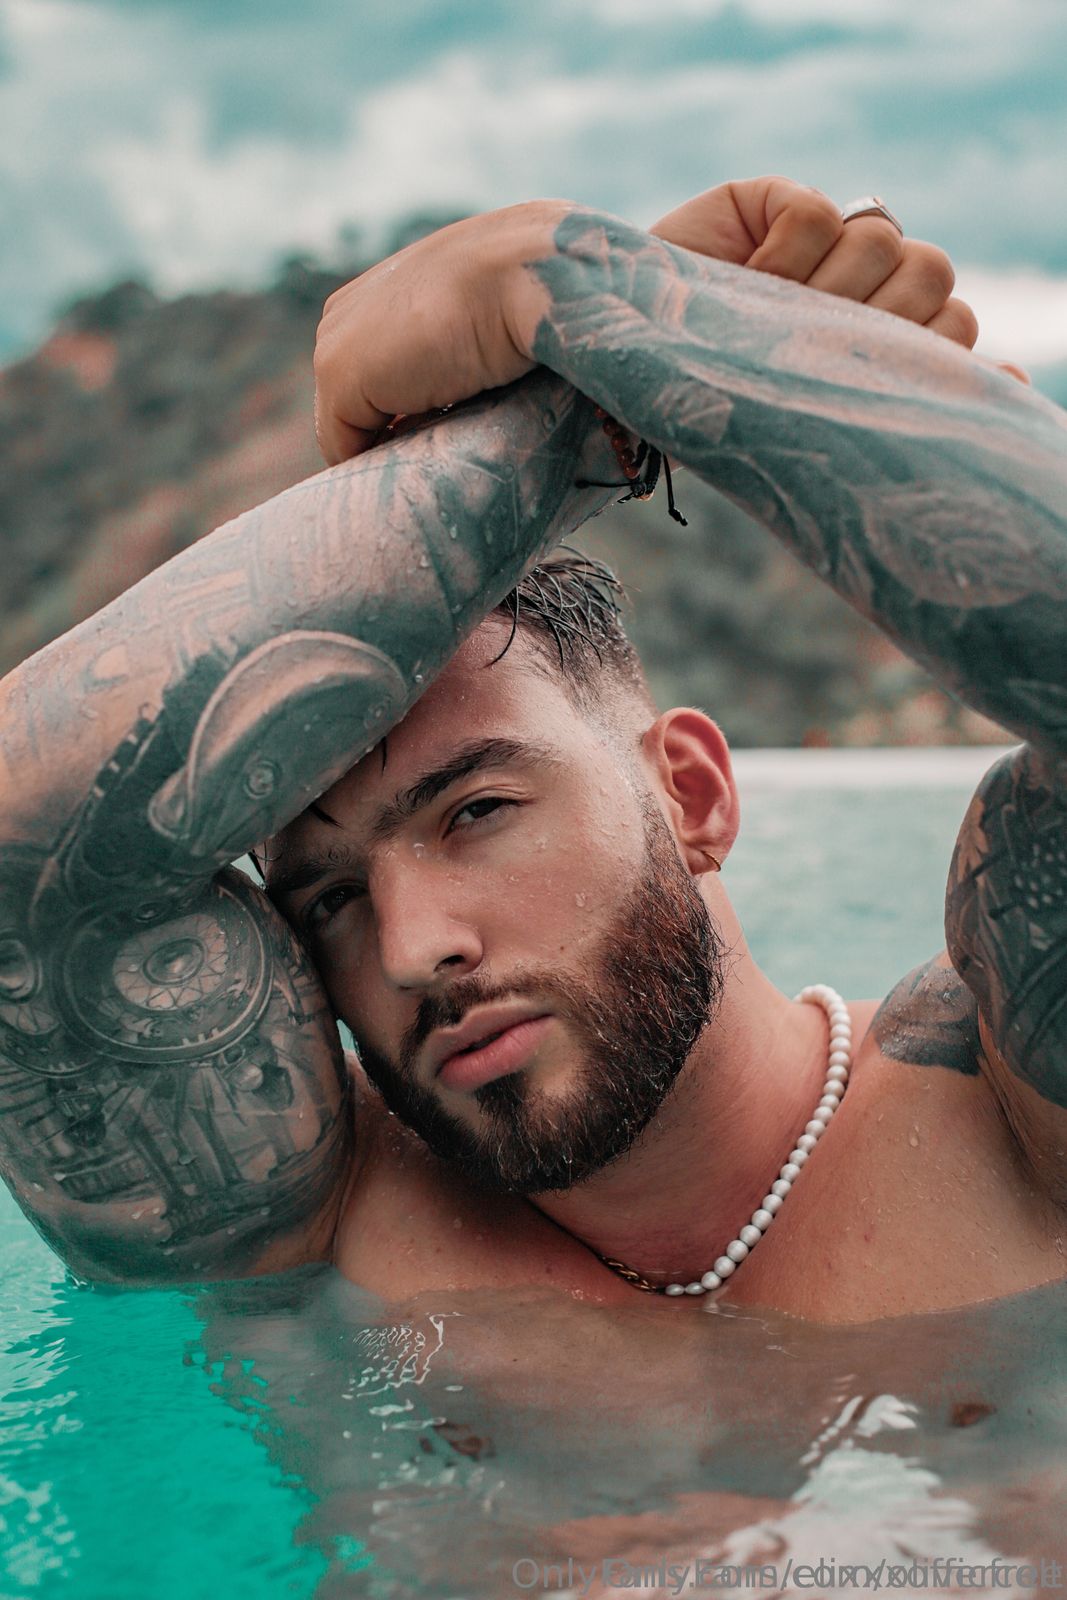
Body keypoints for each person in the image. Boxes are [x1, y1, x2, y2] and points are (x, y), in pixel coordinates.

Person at [0, 176, 1062, 1323]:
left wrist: (557, 286)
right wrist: (586, 370)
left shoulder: (1002, 1121)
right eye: (331, 900)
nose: (412, 950)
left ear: (689, 792)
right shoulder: (327, 1226)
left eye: (475, 811)